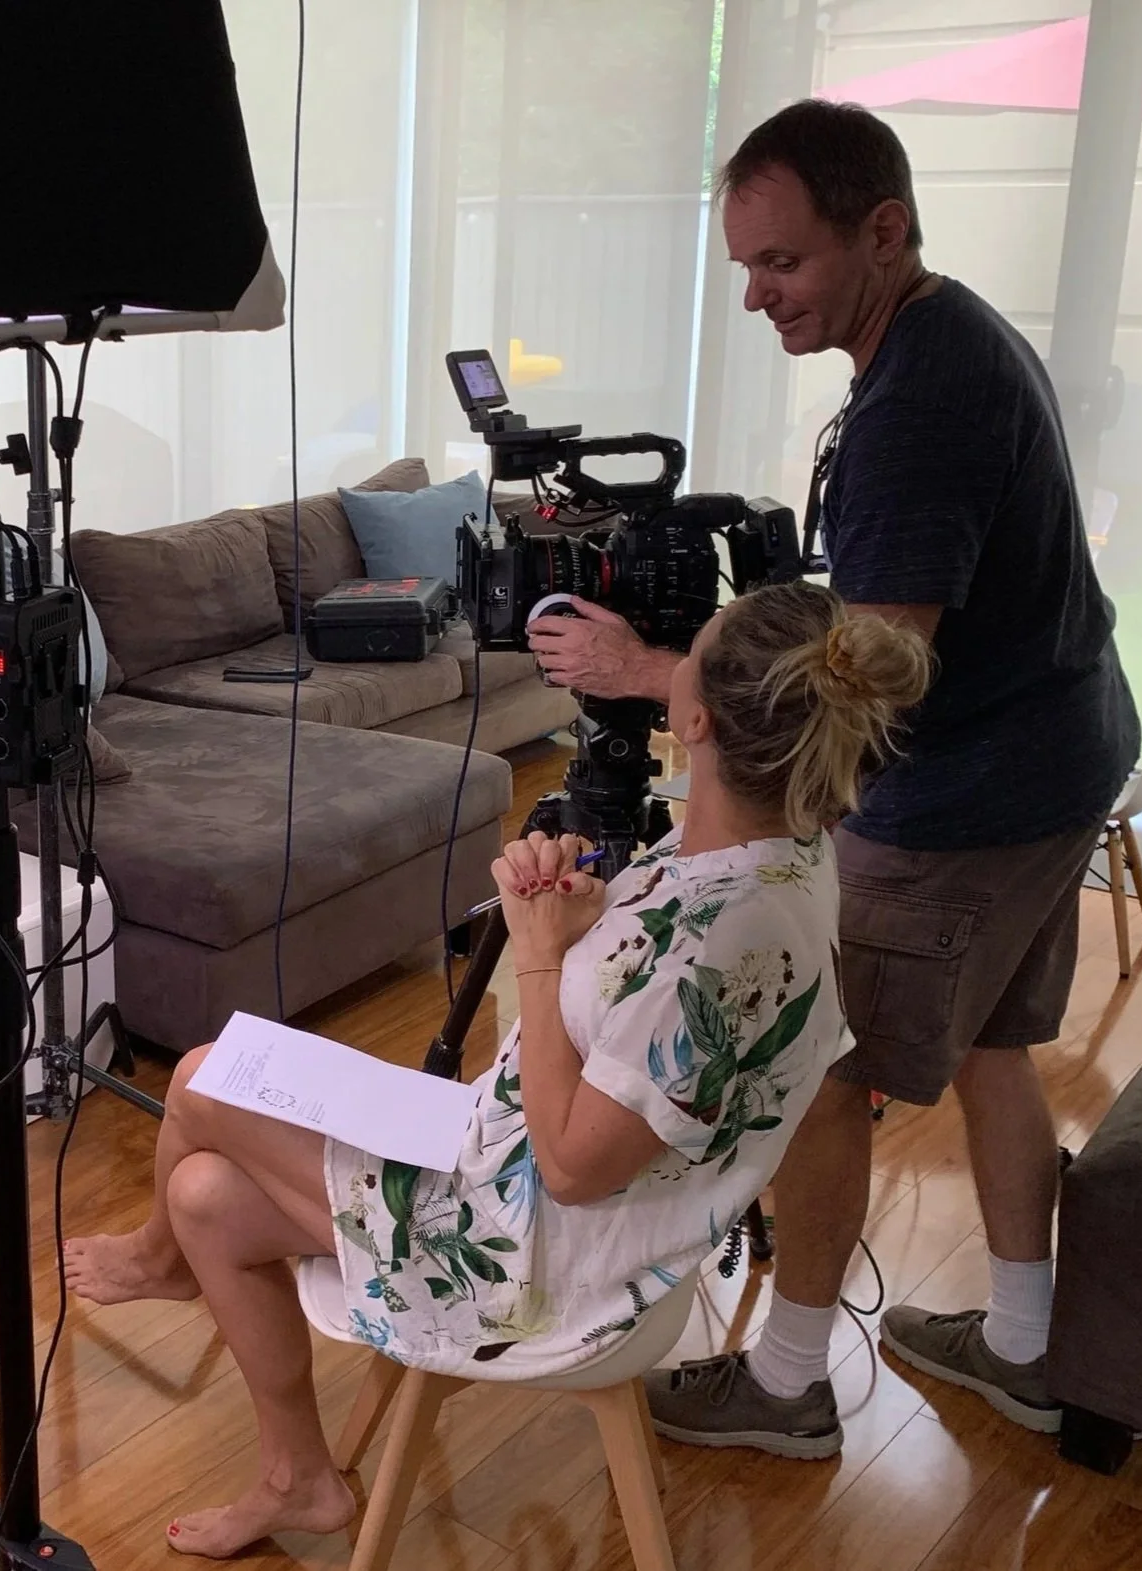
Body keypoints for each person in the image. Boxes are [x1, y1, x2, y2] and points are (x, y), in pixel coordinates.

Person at [63, 582, 931, 1557]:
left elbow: (571, 1163)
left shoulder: (715, 945)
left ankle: (159, 1264)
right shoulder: (785, 861)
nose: (673, 654)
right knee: (207, 1189)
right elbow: (647, 1021)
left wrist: (539, 948)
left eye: (690, 648)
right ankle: (297, 1478)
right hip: (542, 1183)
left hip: (534, 1262)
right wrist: (583, 905)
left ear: (695, 715)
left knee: (202, 1081)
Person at [529, 100, 1142, 1453]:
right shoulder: (947, 330)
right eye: (744, 265)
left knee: (817, 1068)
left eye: (783, 264)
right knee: (994, 1048)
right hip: (1061, 747)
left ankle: (791, 1379)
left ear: (880, 231)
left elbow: (860, 679)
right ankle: (1028, 1345)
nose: (755, 296)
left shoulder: (917, 407)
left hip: (971, 797)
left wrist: (655, 676)